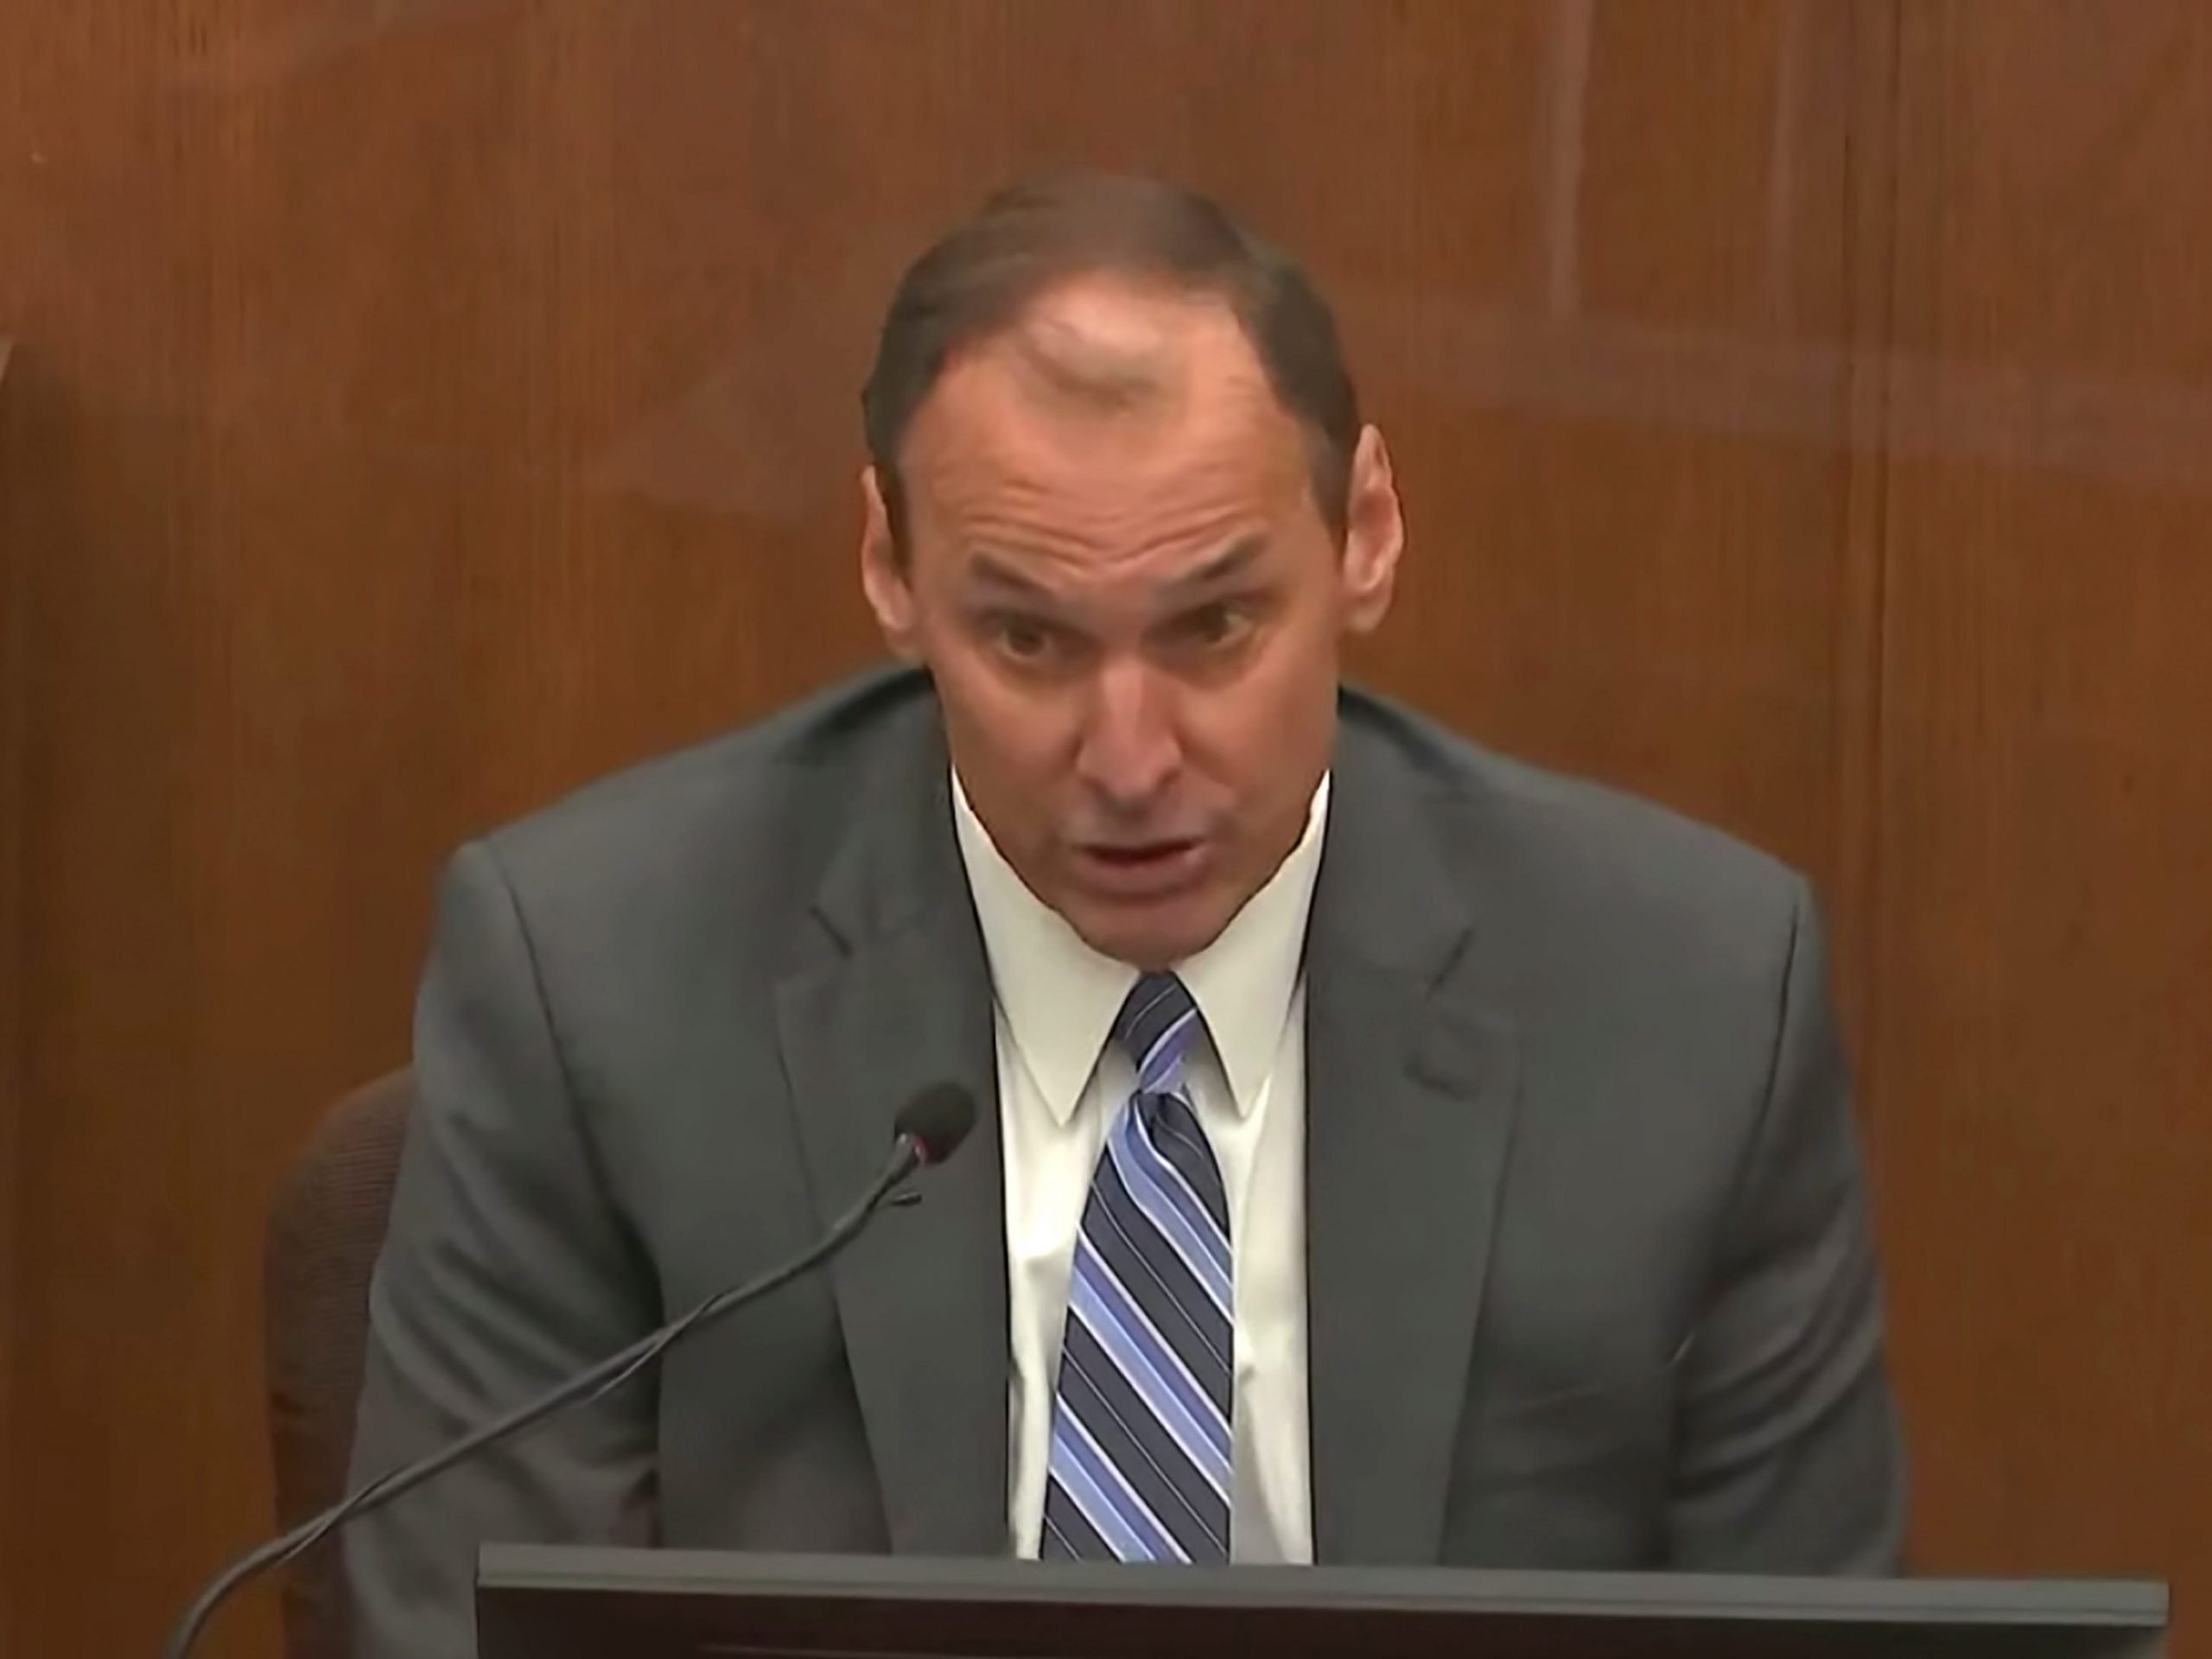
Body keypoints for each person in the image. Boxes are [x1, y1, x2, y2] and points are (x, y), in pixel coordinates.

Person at [344, 171, 1905, 1658]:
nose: (1132, 760)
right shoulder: (595, 982)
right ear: (889, 568)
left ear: (1364, 534)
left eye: (1216, 625)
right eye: (1027, 637)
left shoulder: (1687, 1006)